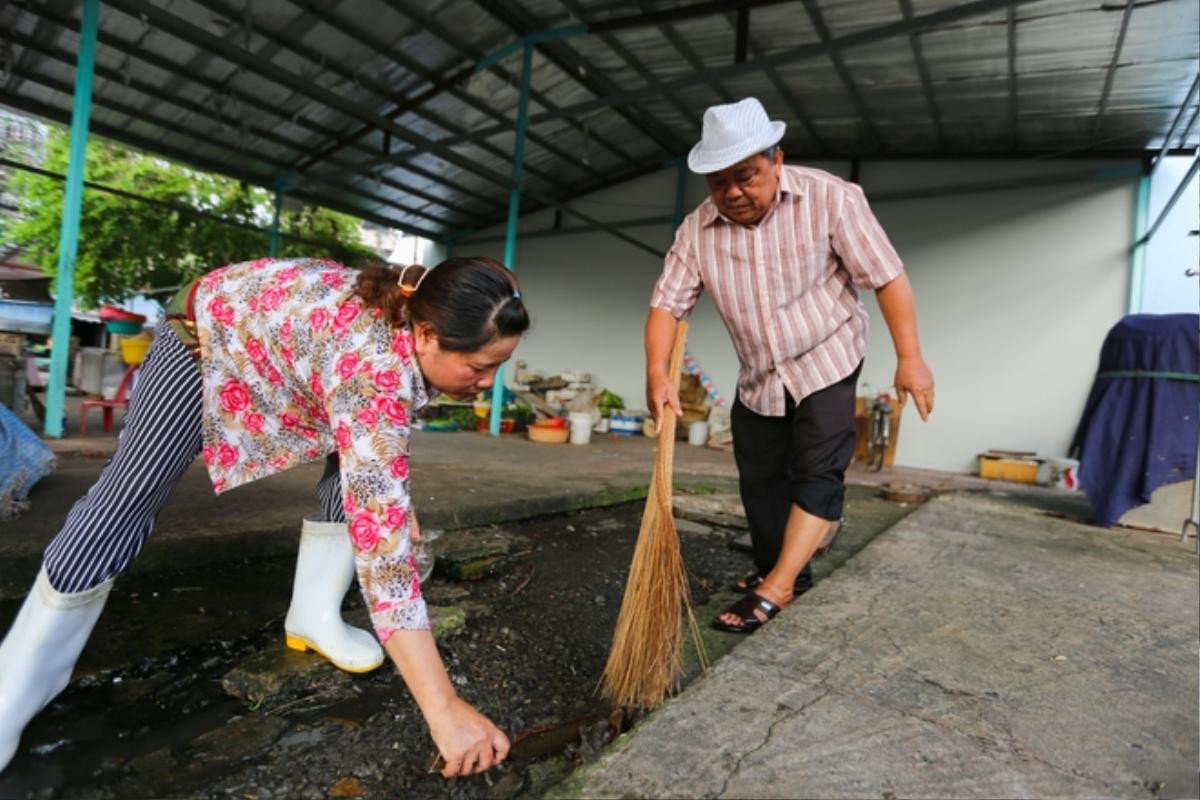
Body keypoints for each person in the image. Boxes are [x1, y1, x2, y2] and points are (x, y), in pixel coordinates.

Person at [0, 256, 528, 778]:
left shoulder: (407, 328)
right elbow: (385, 557)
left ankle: (312, 616)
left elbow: (375, 456)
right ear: (428, 334)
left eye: (498, 366)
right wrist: (444, 707)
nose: (488, 382)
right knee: (127, 498)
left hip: (299, 351)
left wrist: (387, 494)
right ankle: (15, 686)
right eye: (480, 367)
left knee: (360, 482)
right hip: (205, 335)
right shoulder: (372, 375)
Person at [645, 98, 935, 633]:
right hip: (759, 372)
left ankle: (778, 588)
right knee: (759, 476)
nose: (732, 192)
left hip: (827, 354)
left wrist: (910, 358)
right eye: (717, 182)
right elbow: (666, 304)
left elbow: (888, 277)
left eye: (746, 176)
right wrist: (658, 374)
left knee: (817, 469)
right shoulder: (696, 230)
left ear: (777, 160)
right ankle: (777, 569)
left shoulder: (832, 199)